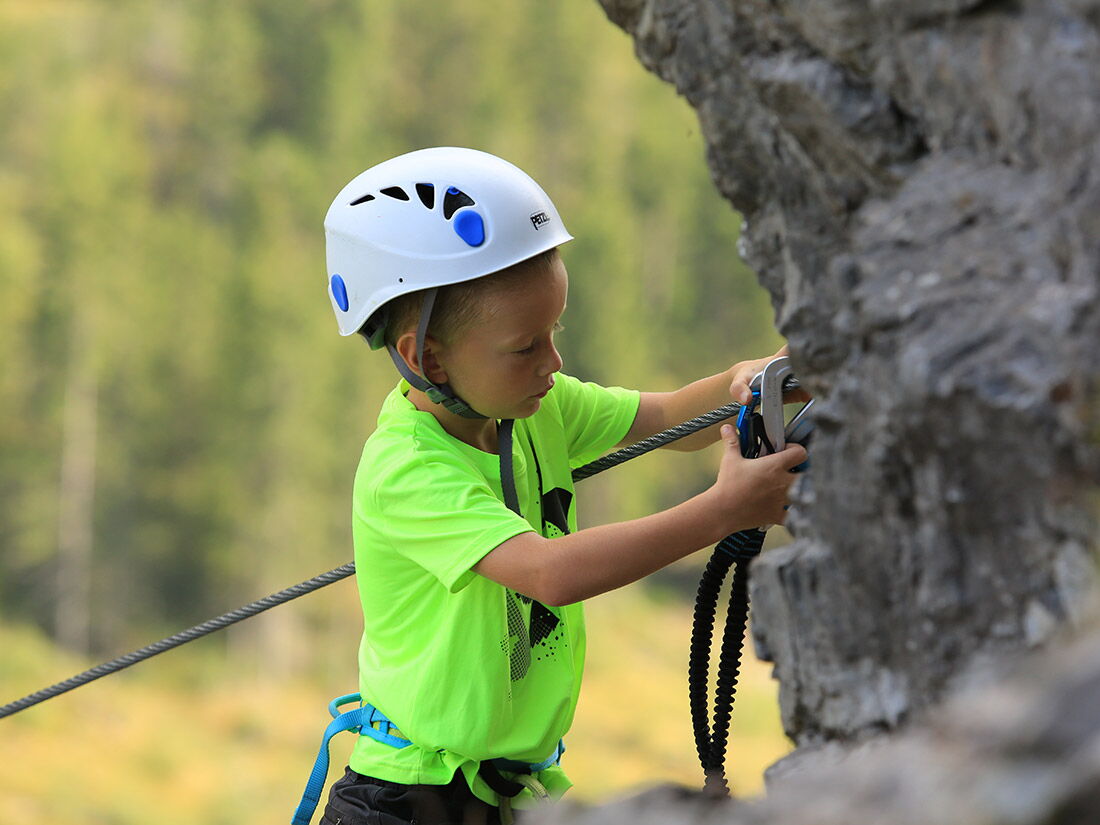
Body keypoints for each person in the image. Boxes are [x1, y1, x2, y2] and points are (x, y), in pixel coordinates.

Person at [315, 147, 806, 825]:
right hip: (407, 800)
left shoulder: (534, 408)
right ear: (424, 357)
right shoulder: (404, 469)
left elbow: (666, 418)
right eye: (526, 346)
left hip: (511, 794)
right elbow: (549, 573)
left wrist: (764, 376)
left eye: (554, 331)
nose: (554, 361)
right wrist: (723, 511)